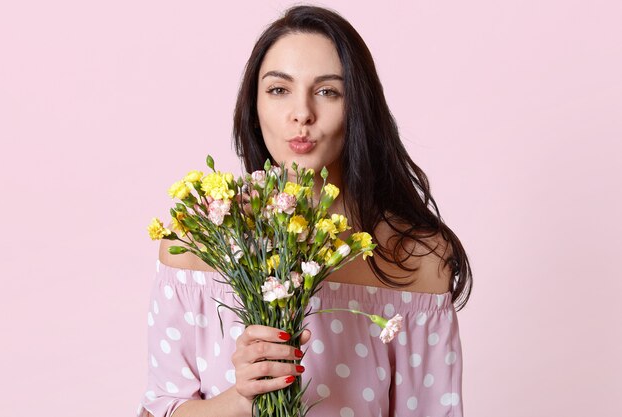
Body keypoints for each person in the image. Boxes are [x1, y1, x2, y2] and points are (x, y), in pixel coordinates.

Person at [137, 5, 472, 417]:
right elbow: (160, 408)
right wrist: (240, 399)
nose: (302, 114)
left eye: (328, 91)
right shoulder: (198, 242)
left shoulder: (416, 258)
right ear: (254, 107)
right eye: (279, 90)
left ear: (359, 110)